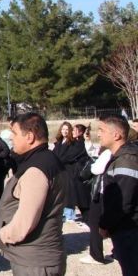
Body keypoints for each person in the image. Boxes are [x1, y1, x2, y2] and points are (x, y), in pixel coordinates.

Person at [0, 112, 68, 276]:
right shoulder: (48, 159)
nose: (11, 139)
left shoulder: (36, 169)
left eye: (14, 134)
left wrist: (4, 234)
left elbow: (26, 221)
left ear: (29, 137)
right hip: (38, 256)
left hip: (35, 261)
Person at [97, 115, 138, 275]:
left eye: (102, 130)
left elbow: (123, 201)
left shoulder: (126, 160)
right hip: (124, 229)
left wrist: (105, 224)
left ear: (117, 135)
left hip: (130, 230)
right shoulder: (120, 158)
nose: (98, 134)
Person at [79, 140, 111, 265]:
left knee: (95, 223)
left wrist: (93, 163)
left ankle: (96, 255)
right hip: (108, 192)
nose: (99, 136)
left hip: (101, 192)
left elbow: (96, 169)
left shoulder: (108, 152)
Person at [52, 122, 87, 222]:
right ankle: (62, 213)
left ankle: (69, 215)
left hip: (68, 171)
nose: (65, 131)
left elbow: (69, 156)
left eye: (67, 129)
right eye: (63, 129)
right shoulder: (59, 142)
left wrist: (58, 161)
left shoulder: (73, 142)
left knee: (69, 193)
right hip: (59, 170)